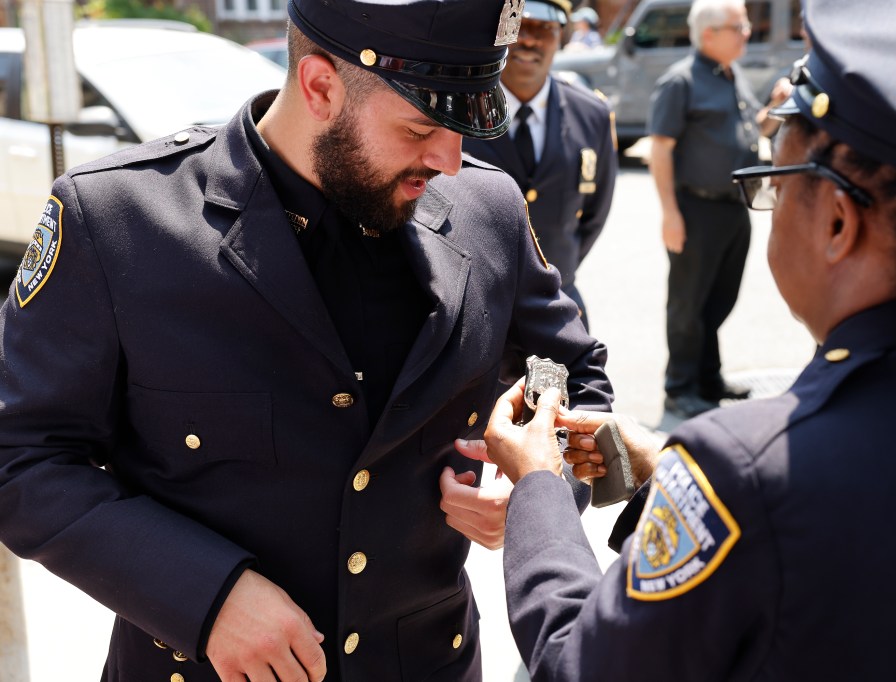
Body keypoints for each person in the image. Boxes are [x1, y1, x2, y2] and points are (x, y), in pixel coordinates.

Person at [0, 1, 615, 680]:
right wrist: (206, 596)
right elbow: (20, 455)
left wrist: (539, 484)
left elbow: (567, 370)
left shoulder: (485, 208)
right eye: (420, 127)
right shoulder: (119, 221)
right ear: (320, 85)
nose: (449, 159)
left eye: (464, 128)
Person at [462, 0, 896, 677]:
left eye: (776, 185)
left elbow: (575, 666)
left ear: (838, 224)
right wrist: (666, 485)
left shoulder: (742, 469)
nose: (771, 214)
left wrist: (539, 487)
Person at [648, 0, 776, 419]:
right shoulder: (680, 82)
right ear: (709, 35)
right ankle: (680, 388)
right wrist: (670, 213)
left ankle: (708, 377)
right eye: (738, 26)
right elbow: (660, 150)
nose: (747, 32)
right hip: (695, 208)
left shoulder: (730, 74)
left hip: (733, 207)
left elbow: (753, 127)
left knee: (718, 300)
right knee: (688, 304)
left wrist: (773, 109)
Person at [463, 0, 618, 328]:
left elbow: (593, 215)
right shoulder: (458, 108)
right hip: (474, 310)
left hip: (559, 308)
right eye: (519, 26)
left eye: (545, 29)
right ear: (500, 31)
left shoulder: (591, 115)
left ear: (562, 34)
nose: (530, 40)